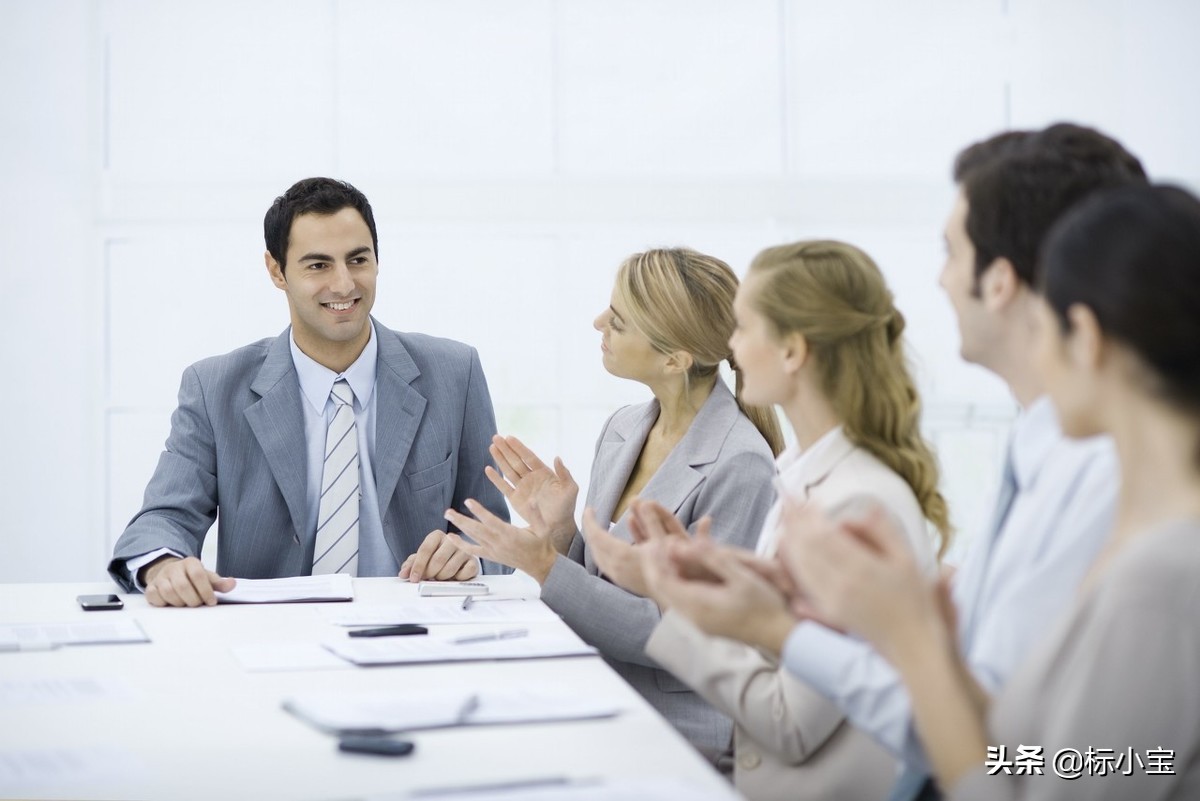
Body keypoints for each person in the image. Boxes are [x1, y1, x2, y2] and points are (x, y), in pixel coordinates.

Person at [619, 123, 1148, 800]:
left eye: (950, 251)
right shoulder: (1039, 454)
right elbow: (973, 732)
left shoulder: (1107, 484)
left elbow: (1047, 764)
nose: (939, 278)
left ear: (1003, 281)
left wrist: (859, 629)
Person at [781, 183, 1200, 799]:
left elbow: (1064, 777)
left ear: (1083, 335)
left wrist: (915, 641)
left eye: (1045, 326)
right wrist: (928, 646)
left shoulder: (1161, 575)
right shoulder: (1149, 543)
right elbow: (1053, 760)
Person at [584, 239, 952, 800]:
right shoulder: (800, 475)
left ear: (792, 352)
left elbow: (789, 721)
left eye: (744, 328)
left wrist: (673, 599)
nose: (729, 346)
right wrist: (697, 582)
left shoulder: (854, 502)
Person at [442, 248, 782, 762]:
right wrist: (560, 536)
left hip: (678, 737)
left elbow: (683, 638)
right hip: (592, 694)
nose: (599, 322)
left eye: (618, 321)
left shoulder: (741, 465)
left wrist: (543, 564)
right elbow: (600, 588)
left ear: (675, 359)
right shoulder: (624, 428)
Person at [108, 177, 509, 606]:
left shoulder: (455, 373)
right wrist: (165, 567)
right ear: (276, 270)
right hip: (270, 639)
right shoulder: (214, 388)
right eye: (318, 265)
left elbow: (491, 532)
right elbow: (163, 518)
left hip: (418, 629)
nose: (343, 285)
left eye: (357, 260)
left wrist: (469, 554)